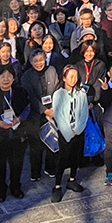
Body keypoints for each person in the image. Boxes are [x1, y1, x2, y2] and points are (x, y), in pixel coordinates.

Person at [0, 65, 30, 202]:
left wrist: (19, 119)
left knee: (17, 163)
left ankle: (15, 187)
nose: (6, 79)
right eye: (3, 76)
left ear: (14, 78)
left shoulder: (19, 92)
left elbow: (27, 108)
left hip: (17, 132)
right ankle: (0, 190)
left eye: (9, 76)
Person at [50, 65, 89, 202]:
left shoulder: (81, 93)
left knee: (75, 156)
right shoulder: (58, 94)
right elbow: (58, 115)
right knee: (62, 158)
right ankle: (57, 185)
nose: (73, 79)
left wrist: (78, 129)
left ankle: (72, 179)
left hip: (78, 130)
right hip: (65, 132)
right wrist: (68, 132)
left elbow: (84, 112)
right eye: (70, 76)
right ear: (64, 78)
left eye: (76, 76)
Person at [21, 49, 60, 183]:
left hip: (53, 110)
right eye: (35, 61)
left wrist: (53, 108)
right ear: (31, 62)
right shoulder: (26, 76)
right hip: (35, 114)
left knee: (52, 140)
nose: (39, 63)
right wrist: (44, 109)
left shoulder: (52, 70)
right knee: (35, 146)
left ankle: (50, 168)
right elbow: (30, 96)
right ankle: (35, 172)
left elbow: (56, 88)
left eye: (41, 60)